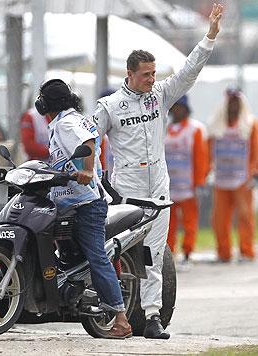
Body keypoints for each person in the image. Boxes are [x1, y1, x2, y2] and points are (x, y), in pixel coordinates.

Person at [92, 4, 223, 339]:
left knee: (153, 254)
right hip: (125, 192)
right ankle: (109, 311)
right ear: (130, 74)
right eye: (146, 75)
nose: (152, 79)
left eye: (154, 73)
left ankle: (152, 317)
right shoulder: (110, 106)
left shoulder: (160, 96)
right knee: (116, 253)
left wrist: (209, 37)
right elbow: (89, 142)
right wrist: (96, 180)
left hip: (158, 191)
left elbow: (188, 73)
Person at [34, 78, 132, 339]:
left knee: (96, 256)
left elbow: (88, 143)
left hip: (85, 203)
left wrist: (88, 170)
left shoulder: (66, 123)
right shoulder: (68, 119)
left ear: (45, 104)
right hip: (69, 201)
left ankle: (121, 319)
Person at [207, 86, 258, 263]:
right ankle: (224, 252)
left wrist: (257, 173)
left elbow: (257, 149)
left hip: (242, 179)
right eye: (230, 102)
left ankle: (247, 252)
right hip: (221, 179)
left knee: (245, 216)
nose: (233, 106)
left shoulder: (250, 123)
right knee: (219, 218)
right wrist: (206, 172)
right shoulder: (216, 124)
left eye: (236, 102)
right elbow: (208, 150)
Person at [165, 95, 208, 266]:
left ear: (185, 108)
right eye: (174, 107)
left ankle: (188, 253)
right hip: (169, 186)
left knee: (189, 221)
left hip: (188, 187)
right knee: (170, 223)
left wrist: (199, 182)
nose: (176, 110)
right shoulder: (165, 128)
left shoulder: (195, 129)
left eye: (179, 107)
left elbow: (200, 157)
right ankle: (169, 254)